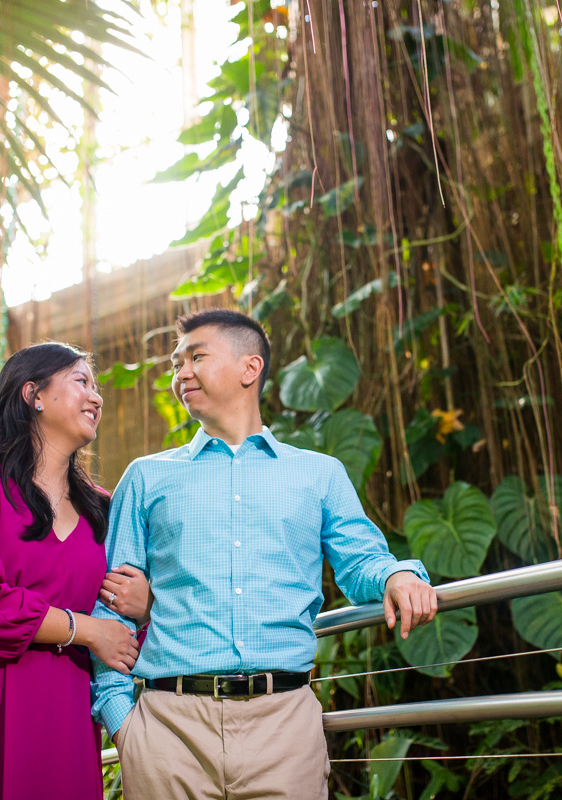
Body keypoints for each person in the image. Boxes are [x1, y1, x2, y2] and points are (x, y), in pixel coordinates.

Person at [91, 309, 439, 800]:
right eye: (175, 364)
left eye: (196, 357)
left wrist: (397, 575)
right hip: (168, 729)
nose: (180, 373)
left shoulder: (319, 474)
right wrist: (122, 724)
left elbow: (361, 561)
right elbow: (110, 605)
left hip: (285, 728)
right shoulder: (146, 478)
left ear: (249, 368)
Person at [0, 342, 150, 800]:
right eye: (82, 382)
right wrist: (87, 630)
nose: (96, 397)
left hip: (68, 714)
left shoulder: (105, 507)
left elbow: (133, 611)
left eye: (96, 387)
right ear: (33, 394)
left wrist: (144, 603)